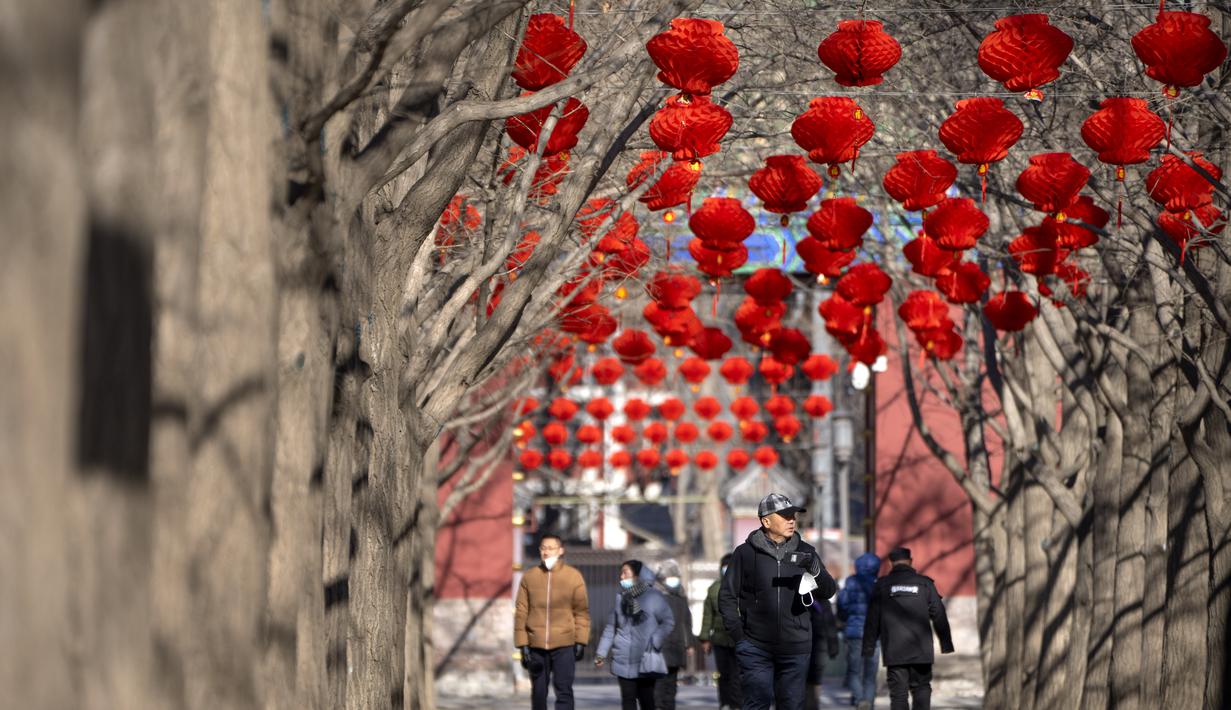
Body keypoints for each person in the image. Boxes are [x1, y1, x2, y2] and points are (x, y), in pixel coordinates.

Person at [718, 493, 837, 710]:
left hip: (796, 646)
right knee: (756, 703)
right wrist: (739, 637)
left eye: (793, 515)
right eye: (784, 516)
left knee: (792, 705)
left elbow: (829, 591)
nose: (791, 520)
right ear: (766, 521)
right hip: (755, 646)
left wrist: (815, 570)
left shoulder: (806, 552)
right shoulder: (744, 554)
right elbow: (726, 596)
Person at [862, 548, 955, 710]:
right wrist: (946, 643)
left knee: (898, 694)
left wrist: (868, 647)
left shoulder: (882, 586)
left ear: (891, 563)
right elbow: (939, 613)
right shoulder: (925, 584)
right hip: (921, 650)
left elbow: (872, 619)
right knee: (922, 689)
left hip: (894, 650)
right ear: (910, 561)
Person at [514, 534, 590, 710]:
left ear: (560, 550)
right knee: (538, 692)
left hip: (564, 644)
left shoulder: (573, 577)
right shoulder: (529, 577)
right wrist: (522, 644)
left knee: (564, 690)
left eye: (551, 548)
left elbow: (581, 612)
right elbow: (521, 612)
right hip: (536, 644)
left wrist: (580, 640)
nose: (546, 552)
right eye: (543, 548)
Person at [596, 560, 676, 710]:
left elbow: (668, 622)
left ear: (638, 575)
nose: (621, 576)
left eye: (625, 572)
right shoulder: (620, 599)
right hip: (623, 658)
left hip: (645, 658)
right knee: (628, 699)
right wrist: (601, 653)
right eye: (621, 573)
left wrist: (656, 639)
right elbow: (610, 628)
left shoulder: (654, 597)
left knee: (647, 700)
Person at [837, 552, 883, 709]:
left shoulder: (850, 582)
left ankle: (858, 699)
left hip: (854, 632)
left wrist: (845, 619)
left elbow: (842, 605)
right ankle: (868, 702)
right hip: (874, 634)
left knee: (854, 670)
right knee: (870, 673)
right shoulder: (879, 585)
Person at [700, 554, 742, 710]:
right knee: (723, 674)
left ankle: (737, 704)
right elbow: (707, 615)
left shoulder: (745, 587)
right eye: (725, 567)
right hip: (719, 639)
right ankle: (724, 703)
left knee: (738, 675)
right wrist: (705, 638)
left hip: (740, 639)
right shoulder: (714, 589)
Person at [654, 558, 694, 710]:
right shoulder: (655, 596)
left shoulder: (681, 596)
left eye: (676, 578)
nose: (674, 581)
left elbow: (686, 621)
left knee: (671, 683)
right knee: (659, 681)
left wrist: (689, 643)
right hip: (660, 646)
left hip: (676, 645)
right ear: (663, 579)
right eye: (671, 578)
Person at [803, 599, 841, 710]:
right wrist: (833, 648)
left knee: (813, 679)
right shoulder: (822, 603)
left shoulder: (820, 602)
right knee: (812, 679)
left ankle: (811, 704)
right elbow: (831, 628)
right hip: (813, 647)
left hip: (815, 647)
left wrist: (833, 648)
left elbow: (830, 627)